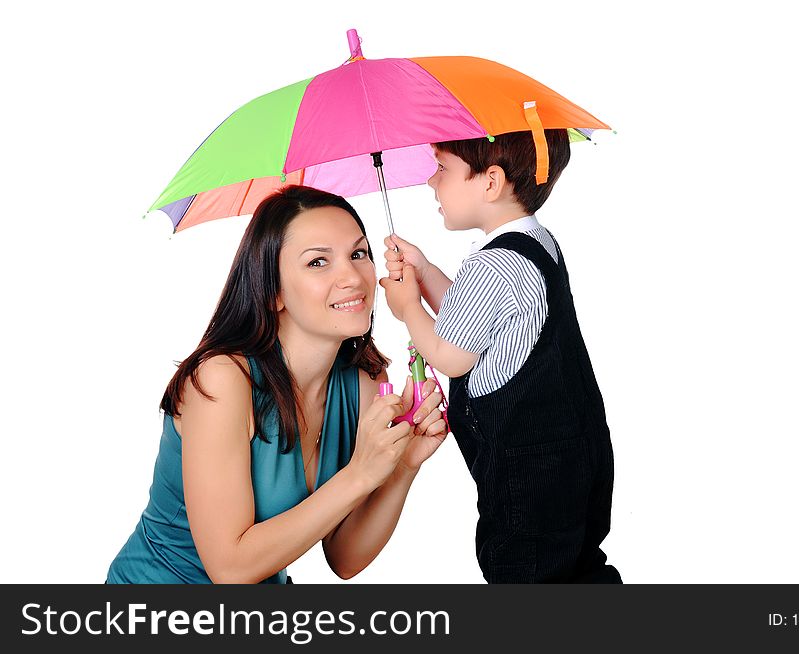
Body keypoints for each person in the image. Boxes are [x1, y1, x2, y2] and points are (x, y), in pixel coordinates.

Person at [107, 185, 448, 584]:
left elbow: (344, 558)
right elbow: (230, 569)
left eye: (358, 254)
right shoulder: (221, 381)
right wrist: (359, 473)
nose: (352, 277)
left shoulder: (366, 384)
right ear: (273, 292)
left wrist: (401, 465)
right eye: (318, 262)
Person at [380, 130, 621, 583]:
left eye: (442, 168)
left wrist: (407, 306)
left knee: (524, 574)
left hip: (528, 468)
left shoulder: (490, 265)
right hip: (578, 451)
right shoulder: (536, 243)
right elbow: (476, 325)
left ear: (490, 182)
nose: (432, 182)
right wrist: (426, 271)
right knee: (579, 565)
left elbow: (451, 355)